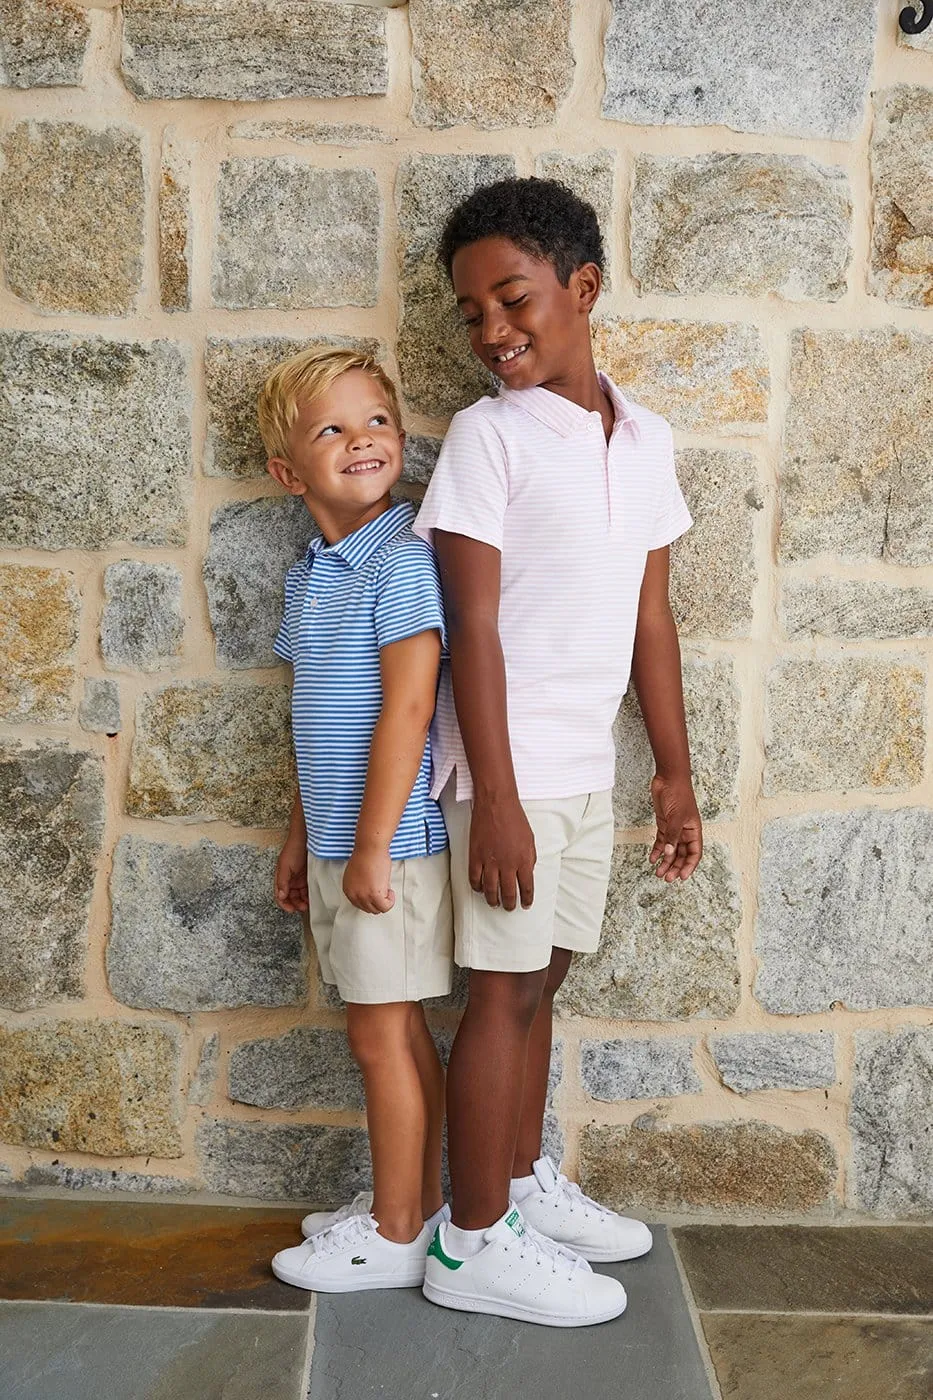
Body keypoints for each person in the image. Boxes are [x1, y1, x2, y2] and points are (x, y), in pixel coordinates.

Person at [414, 178, 703, 1327]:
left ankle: (518, 1186)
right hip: (512, 769)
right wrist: (493, 797)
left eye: (514, 299)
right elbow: (470, 626)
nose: (492, 332)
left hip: (590, 761)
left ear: (583, 288)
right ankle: (472, 1236)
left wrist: (675, 777)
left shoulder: (646, 440)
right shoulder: (489, 438)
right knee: (502, 987)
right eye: (471, 312)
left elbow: (653, 620)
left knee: (547, 977)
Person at [260, 346, 453, 1294]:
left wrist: (372, 843)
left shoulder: (405, 563)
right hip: (340, 844)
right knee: (396, 1028)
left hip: (390, 847)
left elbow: (408, 709)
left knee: (380, 1035)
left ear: (402, 441)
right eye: (330, 430)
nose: (360, 441)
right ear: (289, 473)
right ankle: (411, 1208)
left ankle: (393, 1230)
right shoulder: (310, 576)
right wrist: (305, 837)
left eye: (374, 421)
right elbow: (312, 716)